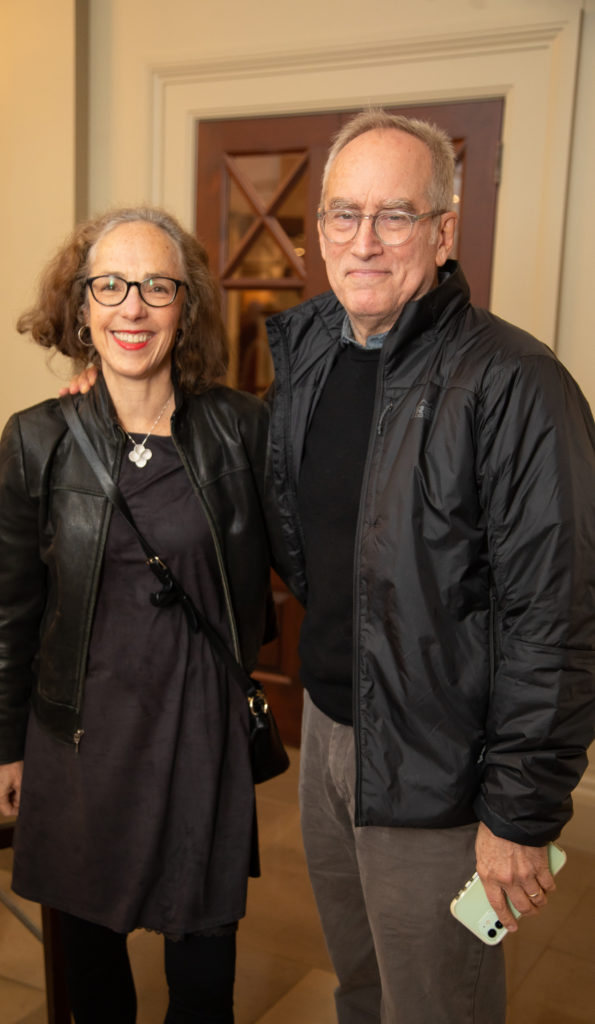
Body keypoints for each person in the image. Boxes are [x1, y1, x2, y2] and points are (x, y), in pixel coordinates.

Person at [260, 108, 595, 1023]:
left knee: (435, 1006)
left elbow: (556, 616)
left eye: (395, 215)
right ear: (320, 228)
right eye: (342, 214)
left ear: (443, 233)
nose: (363, 241)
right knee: (361, 988)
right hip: (327, 736)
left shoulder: (516, 384)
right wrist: (111, 398)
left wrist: (520, 812)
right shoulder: (306, 362)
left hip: (440, 766)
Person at [0, 206, 274, 1024]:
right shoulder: (37, 440)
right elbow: (5, 608)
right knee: (94, 978)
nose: (131, 307)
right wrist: (5, 748)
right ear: (80, 307)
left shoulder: (241, 430)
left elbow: (311, 550)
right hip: (79, 741)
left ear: (187, 308)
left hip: (198, 734)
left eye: (155, 287)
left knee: (205, 984)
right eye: (109, 285)